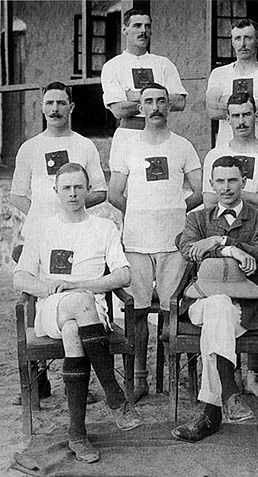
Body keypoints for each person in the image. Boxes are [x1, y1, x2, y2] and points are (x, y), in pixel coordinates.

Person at [13, 163, 142, 464]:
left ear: (87, 190)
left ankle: (77, 433)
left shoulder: (103, 227)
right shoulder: (43, 227)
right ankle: (113, 393)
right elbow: (21, 278)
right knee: (77, 305)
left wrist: (79, 285)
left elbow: (123, 276)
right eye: (66, 188)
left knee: (74, 327)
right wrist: (52, 288)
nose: (72, 193)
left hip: (92, 312)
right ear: (55, 191)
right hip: (50, 308)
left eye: (78, 187)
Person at [10, 81, 107, 405]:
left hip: (75, 234)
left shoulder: (84, 146)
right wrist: (43, 217)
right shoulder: (30, 147)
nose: (55, 109)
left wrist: (72, 209)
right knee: (38, 296)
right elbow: (17, 193)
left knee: (72, 301)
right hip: (39, 234)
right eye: (49, 103)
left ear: (71, 107)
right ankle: (38, 382)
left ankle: (77, 379)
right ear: (41, 107)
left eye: (61, 103)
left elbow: (101, 190)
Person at [171, 156, 258, 442]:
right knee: (216, 304)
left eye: (232, 180)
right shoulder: (197, 218)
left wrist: (221, 242)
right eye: (220, 181)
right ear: (211, 183)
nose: (227, 187)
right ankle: (229, 392)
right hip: (200, 303)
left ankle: (211, 412)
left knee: (219, 314)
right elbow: (189, 250)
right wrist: (231, 251)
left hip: (246, 307)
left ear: (244, 181)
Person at [108, 83, 202, 402]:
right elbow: (114, 193)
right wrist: (140, 212)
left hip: (173, 244)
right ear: (141, 107)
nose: (156, 107)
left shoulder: (183, 146)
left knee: (173, 310)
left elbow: (199, 192)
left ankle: (178, 378)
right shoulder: (127, 147)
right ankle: (139, 378)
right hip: (136, 241)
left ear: (169, 106)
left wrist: (173, 211)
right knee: (136, 312)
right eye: (149, 101)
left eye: (162, 101)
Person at [203, 92, 258, 396]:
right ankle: (229, 378)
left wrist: (241, 197)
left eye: (247, 114)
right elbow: (211, 201)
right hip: (222, 245)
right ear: (227, 119)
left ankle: (250, 374)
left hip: (255, 235)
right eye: (235, 115)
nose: (241, 121)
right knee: (220, 299)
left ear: (257, 116)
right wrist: (253, 195)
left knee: (251, 288)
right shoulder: (216, 155)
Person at [101, 8, 188, 163]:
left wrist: (135, 96)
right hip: (128, 134)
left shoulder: (163, 64)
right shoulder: (112, 66)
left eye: (147, 26)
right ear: (124, 30)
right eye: (137, 26)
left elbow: (180, 102)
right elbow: (119, 109)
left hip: (160, 134)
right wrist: (160, 101)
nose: (143, 31)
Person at [206, 19, 258, 147]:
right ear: (232, 42)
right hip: (227, 149)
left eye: (248, 38)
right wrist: (257, 101)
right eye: (238, 38)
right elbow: (212, 110)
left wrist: (227, 101)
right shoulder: (219, 74)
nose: (243, 44)